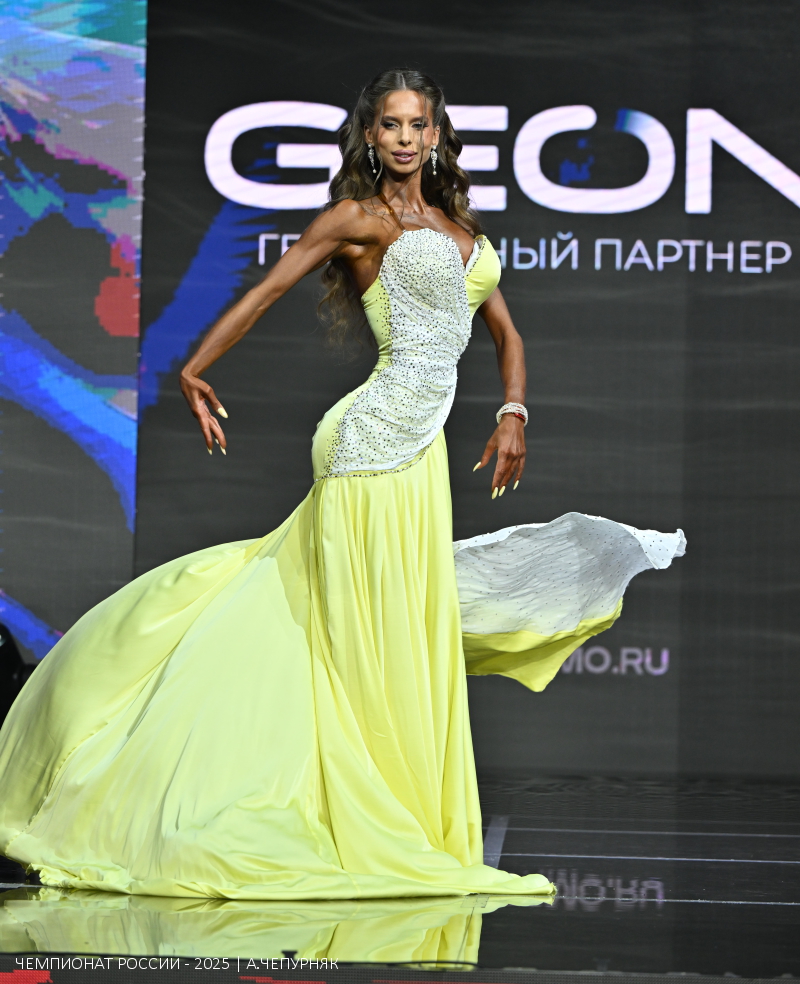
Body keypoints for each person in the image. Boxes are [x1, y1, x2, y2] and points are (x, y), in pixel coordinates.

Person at [0, 69, 684, 901]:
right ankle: (315, 800)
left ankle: (395, 809)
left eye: (418, 124)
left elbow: (505, 332)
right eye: (390, 124)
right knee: (352, 628)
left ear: (437, 136)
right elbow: (268, 289)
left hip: (422, 453)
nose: (405, 138)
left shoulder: (460, 228)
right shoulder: (356, 220)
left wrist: (514, 412)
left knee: (402, 626)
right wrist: (194, 367)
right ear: (371, 136)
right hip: (367, 442)